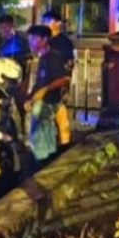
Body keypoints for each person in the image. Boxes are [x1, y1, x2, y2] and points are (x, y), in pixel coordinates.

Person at [24, 25, 70, 162]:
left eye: (34, 38)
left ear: (44, 39)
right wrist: (30, 97)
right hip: (41, 101)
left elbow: (63, 80)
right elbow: (40, 82)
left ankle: (42, 161)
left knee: (39, 134)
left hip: (48, 102)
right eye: (30, 39)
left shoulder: (53, 57)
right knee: (45, 134)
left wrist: (45, 90)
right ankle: (47, 160)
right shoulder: (43, 58)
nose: (31, 42)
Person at [43, 10, 75, 146]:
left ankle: (65, 140)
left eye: (49, 21)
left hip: (60, 79)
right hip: (46, 79)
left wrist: (65, 80)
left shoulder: (64, 42)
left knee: (60, 110)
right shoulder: (45, 39)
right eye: (44, 22)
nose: (46, 24)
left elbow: (69, 62)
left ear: (58, 23)